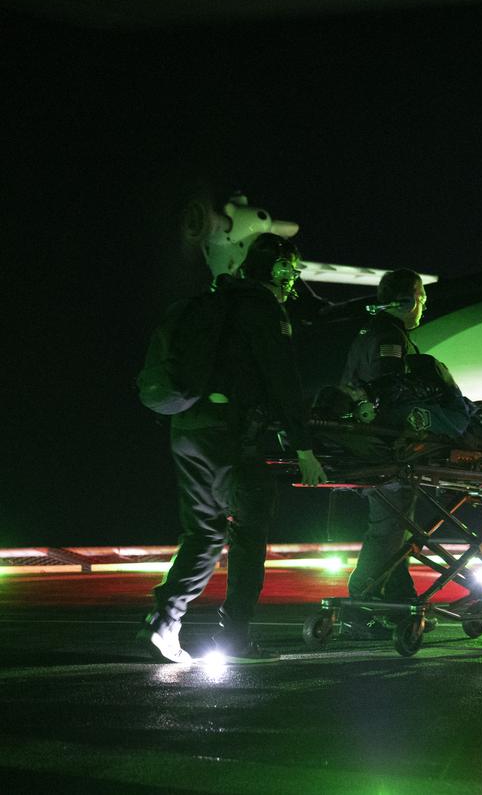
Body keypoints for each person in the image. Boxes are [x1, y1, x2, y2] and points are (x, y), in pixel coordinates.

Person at [138, 232, 327, 664]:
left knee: (203, 532)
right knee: (249, 529)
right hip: (233, 436)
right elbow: (283, 379)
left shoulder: (214, 301)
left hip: (187, 427)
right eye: (289, 270)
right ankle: (236, 637)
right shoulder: (262, 308)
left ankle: (163, 622)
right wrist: (304, 448)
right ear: (277, 270)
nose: (292, 280)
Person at [339, 269, 459, 615]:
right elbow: (389, 389)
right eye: (422, 298)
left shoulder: (371, 331)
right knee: (389, 528)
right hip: (385, 448)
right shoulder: (388, 336)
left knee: (398, 527)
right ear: (408, 301)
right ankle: (360, 606)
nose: (424, 306)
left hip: (369, 445)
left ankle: (399, 599)